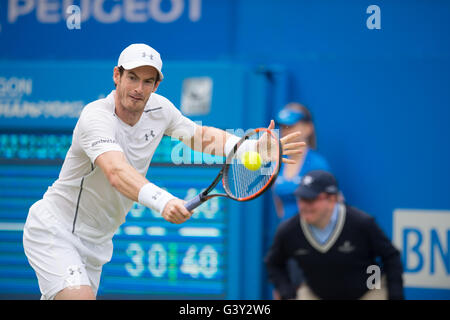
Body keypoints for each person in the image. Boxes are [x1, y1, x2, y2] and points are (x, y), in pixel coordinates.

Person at [22, 43, 305, 300]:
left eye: (148, 81)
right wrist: (163, 201)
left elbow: (200, 136)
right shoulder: (95, 117)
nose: (139, 88)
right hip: (55, 229)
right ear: (117, 76)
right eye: (132, 77)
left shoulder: (161, 109)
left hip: (97, 243)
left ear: (157, 84)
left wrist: (249, 150)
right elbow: (117, 172)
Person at [265, 170, 404, 300]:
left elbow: (391, 256)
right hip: (317, 293)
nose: (304, 205)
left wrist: (395, 295)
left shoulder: (361, 223)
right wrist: (287, 293)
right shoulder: (289, 230)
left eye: (311, 199)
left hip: (368, 291)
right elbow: (273, 263)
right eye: (301, 199)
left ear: (332, 199)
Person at [270, 102, 331, 298]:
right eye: (283, 127)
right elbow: (279, 206)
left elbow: (333, 208)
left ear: (307, 128)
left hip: (312, 246)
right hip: (285, 245)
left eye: (292, 126)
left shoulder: (318, 165)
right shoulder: (277, 164)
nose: (286, 131)